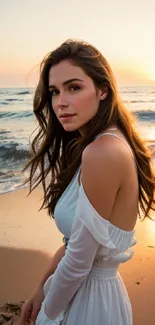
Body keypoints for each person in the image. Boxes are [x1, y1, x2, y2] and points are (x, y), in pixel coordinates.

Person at [20, 39, 155, 325]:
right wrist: (39, 291)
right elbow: (73, 245)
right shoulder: (101, 145)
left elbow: (79, 263)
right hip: (91, 295)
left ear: (102, 90)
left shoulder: (102, 152)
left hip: (88, 304)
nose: (60, 102)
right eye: (54, 91)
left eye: (74, 87)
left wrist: (47, 312)